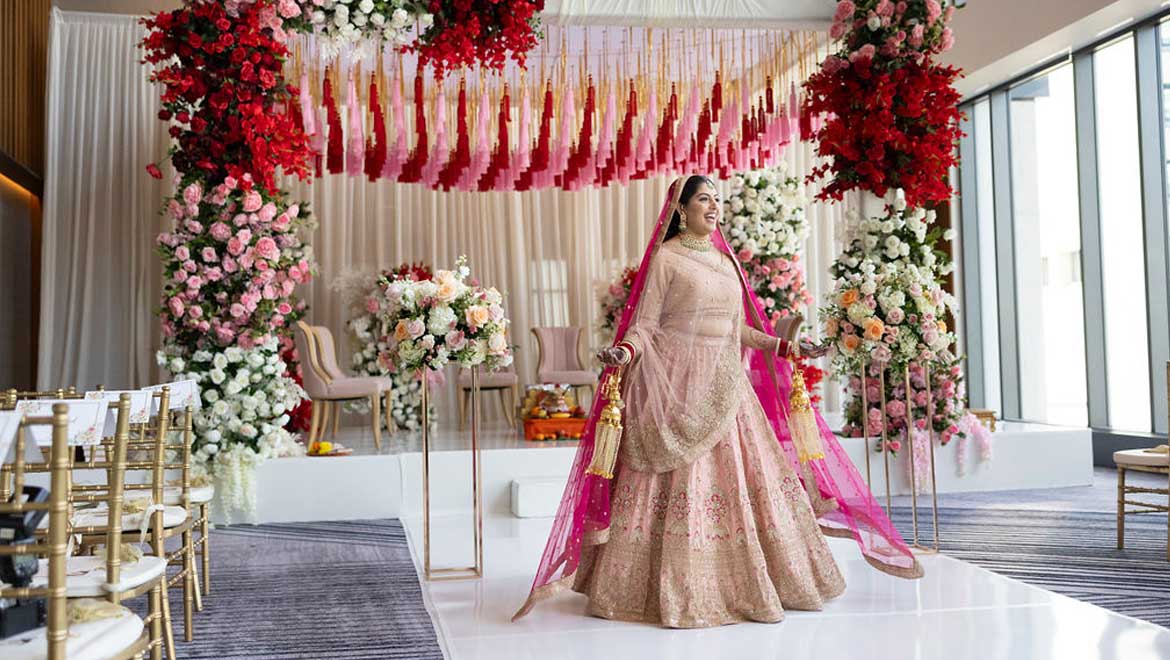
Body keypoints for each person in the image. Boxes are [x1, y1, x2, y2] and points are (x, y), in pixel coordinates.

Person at [513, 175, 922, 628]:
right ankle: (654, 587)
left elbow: (738, 330)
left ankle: (759, 581)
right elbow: (645, 325)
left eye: (717, 201)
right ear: (681, 209)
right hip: (673, 383)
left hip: (726, 383)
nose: (714, 208)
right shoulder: (666, 259)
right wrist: (624, 352)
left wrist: (787, 348)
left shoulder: (727, 264)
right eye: (704, 199)